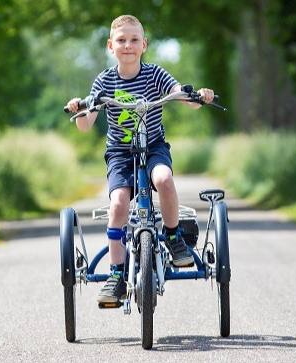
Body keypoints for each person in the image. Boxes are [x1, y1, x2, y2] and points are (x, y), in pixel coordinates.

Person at [65, 15, 215, 304]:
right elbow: (85, 125)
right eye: (121, 40)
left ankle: (172, 238)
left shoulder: (156, 74)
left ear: (144, 45)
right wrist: (80, 108)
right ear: (111, 46)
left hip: (154, 146)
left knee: (164, 180)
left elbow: (180, 95)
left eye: (134, 40)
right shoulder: (104, 81)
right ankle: (117, 274)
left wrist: (198, 96)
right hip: (120, 153)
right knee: (119, 204)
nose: (128, 45)